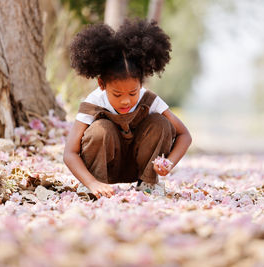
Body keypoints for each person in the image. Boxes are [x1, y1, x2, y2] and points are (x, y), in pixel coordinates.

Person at [63, 19, 192, 199]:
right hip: (103, 171)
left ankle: (148, 185)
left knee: (160, 123)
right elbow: (70, 152)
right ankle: (95, 187)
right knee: (100, 130)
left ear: (141, 82)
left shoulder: (150, 100)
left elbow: (184, 135)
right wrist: (91, 182)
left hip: (140, 168)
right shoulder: (93, 103)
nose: (126, 101)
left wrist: (169, 163)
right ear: (102, 84)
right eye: (117, 94)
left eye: (133, 93)